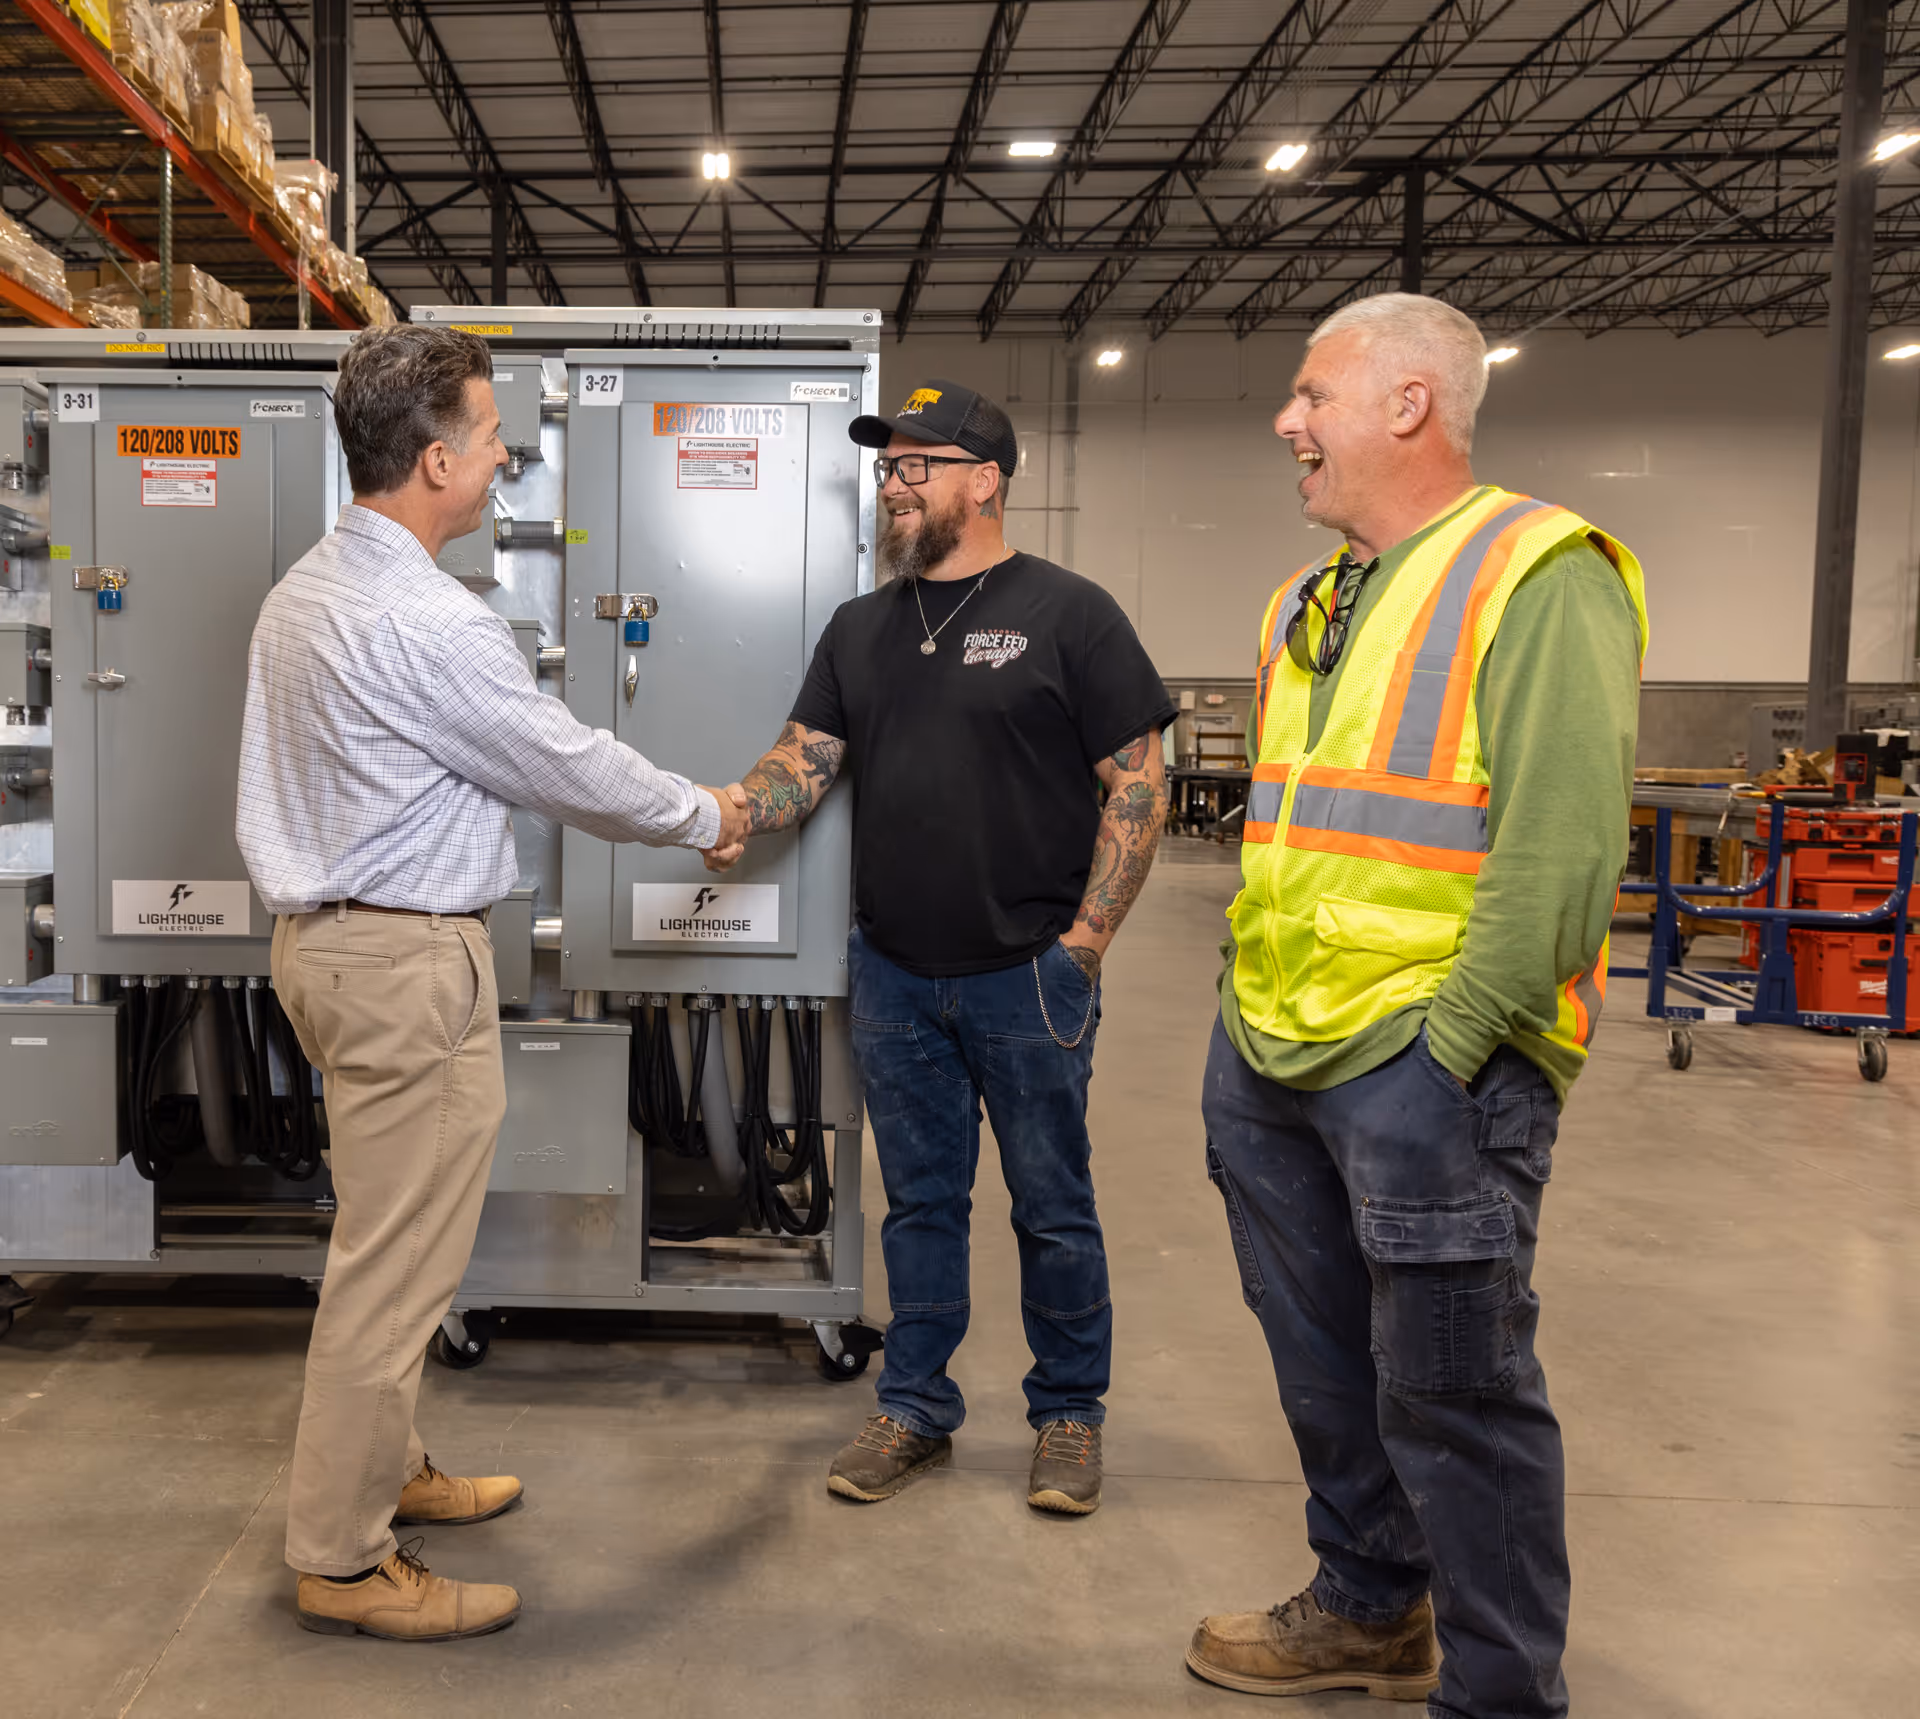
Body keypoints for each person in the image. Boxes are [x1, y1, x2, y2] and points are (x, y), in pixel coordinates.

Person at [236, 325, 747, 1641]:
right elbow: (561, 761)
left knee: (388, 1237)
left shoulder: (305, 590)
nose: (505, 456)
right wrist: (707, 811)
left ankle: (388, 1465)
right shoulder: (429, 619)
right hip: (403, 960)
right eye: (492, 436)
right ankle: (344, 1559)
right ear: (435, 459)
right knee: (395, 1262)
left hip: (330, 949)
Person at [1185, 295, 1645, 1716]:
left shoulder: (1537, 570)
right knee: (1324, 1365)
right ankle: (1372, 1606)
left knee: (1457, 1388)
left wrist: (1448, 1052)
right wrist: (1243, 1015)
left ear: (1408, 404)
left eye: (1311, 393)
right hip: (1273, 1042)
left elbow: (1561, 852)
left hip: (1427, 1059)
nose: (1287, 421)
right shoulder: (1308, 600)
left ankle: (1499, 1689)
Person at [705, 379, 1173, 1515]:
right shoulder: (862, 627)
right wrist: (733, 809)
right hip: (895, 975)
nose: (895, 485)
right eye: (888, 466)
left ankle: (1069, 1414)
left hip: (1029, 975)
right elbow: (806, 757)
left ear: (986, 480)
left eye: (919, 465)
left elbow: (1138, 783)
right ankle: (914, 1405)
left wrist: (1085, 944)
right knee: (919, 1204)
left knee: (1052, 1204)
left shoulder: (1072, 613)